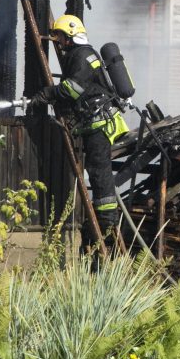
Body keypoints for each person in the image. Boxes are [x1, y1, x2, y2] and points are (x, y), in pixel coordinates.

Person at [32, 14, 129, 245]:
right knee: (97, 170)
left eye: (60, 36)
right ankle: (105, 218)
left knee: (99, 170)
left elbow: (73, 89)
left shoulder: (83, 56)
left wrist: (47, 93)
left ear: (70, 35)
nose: (58, 41)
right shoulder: (81, 54)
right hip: (95, 122)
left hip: (100, 123)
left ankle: (107, 220)